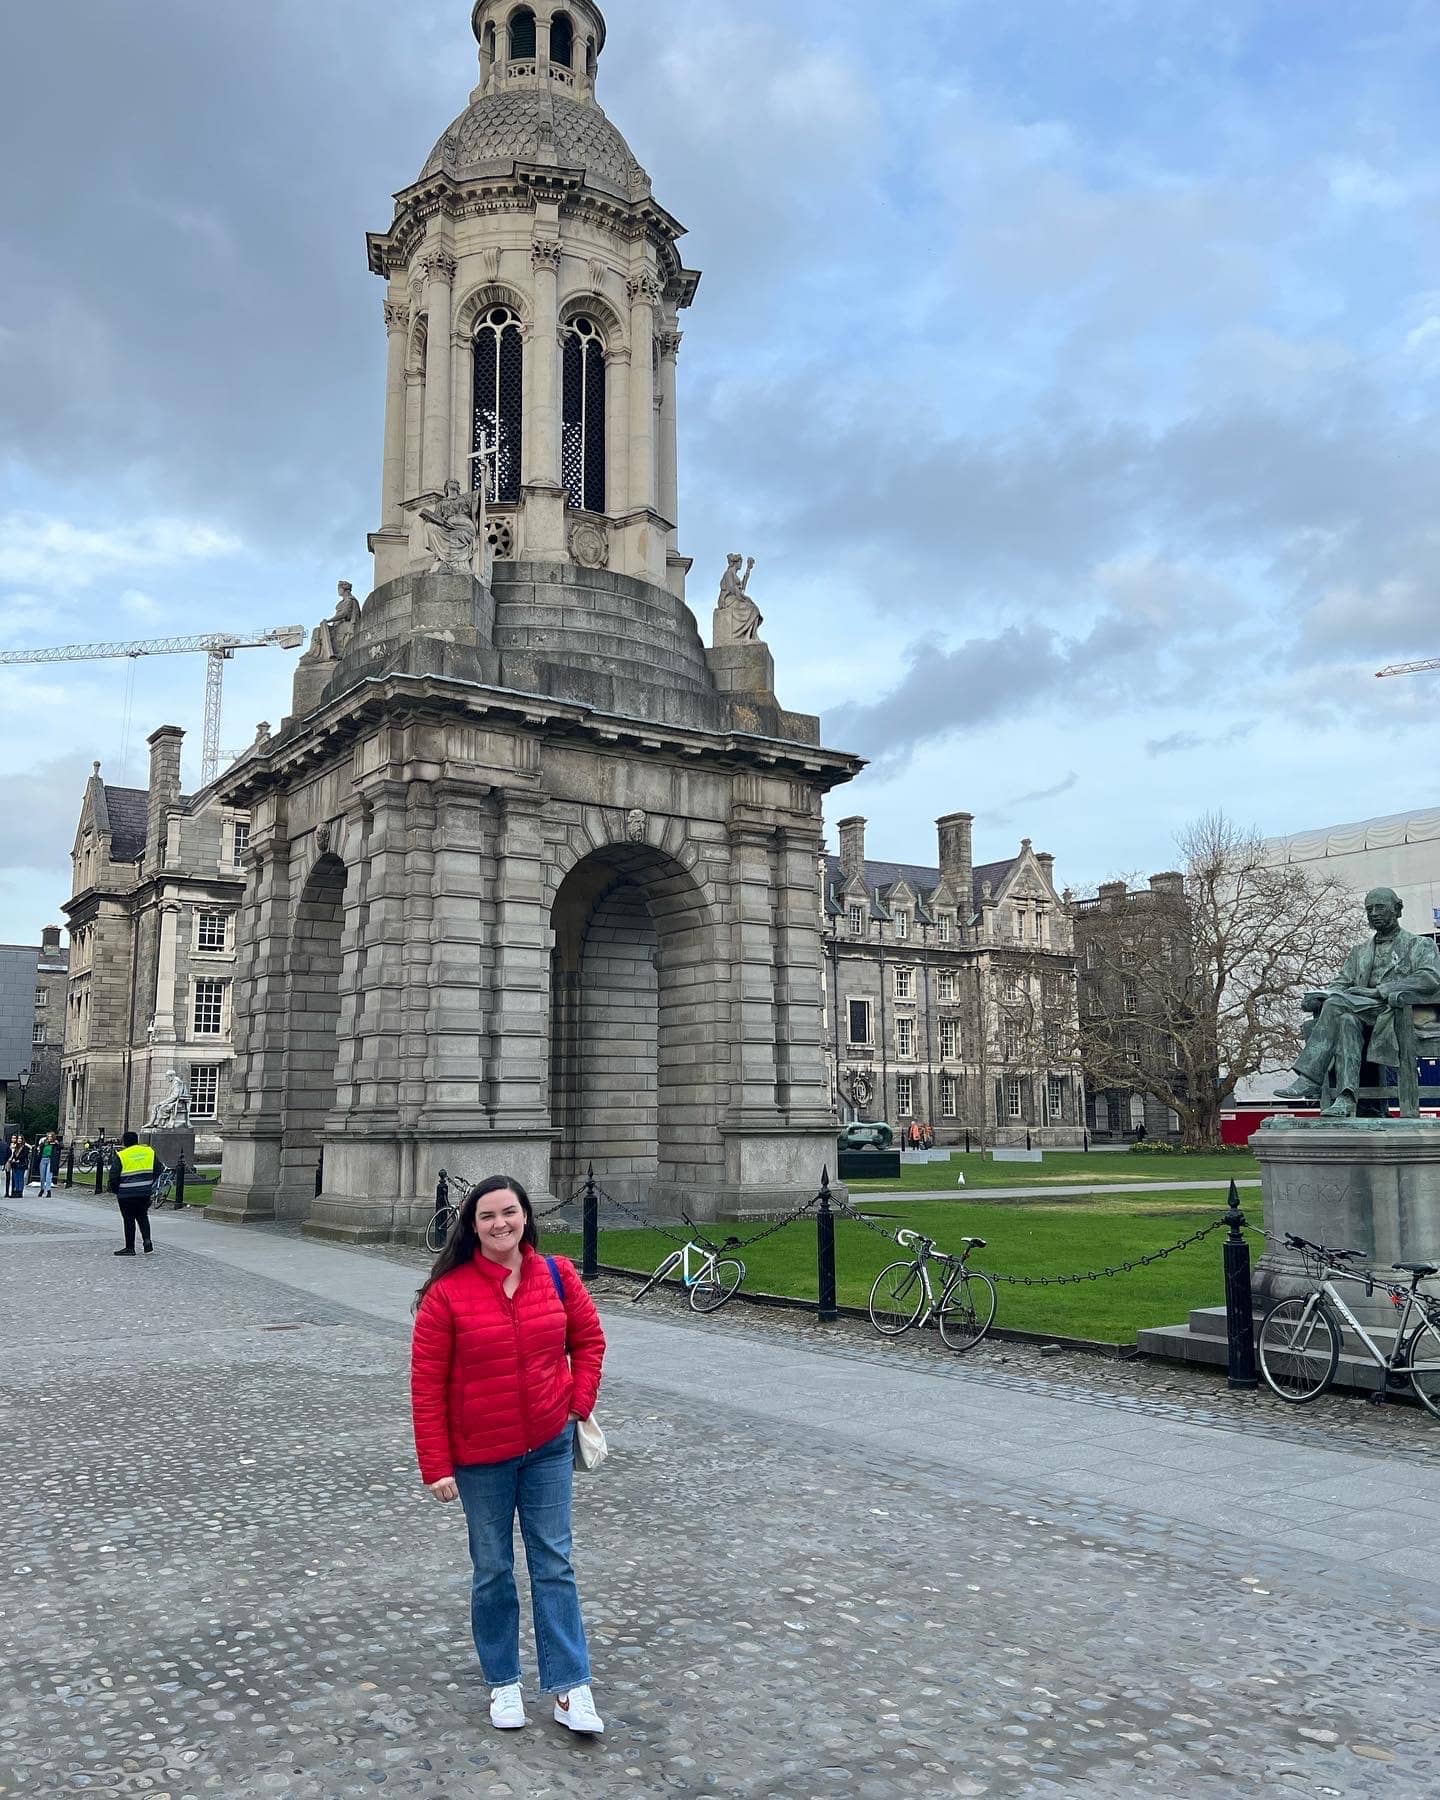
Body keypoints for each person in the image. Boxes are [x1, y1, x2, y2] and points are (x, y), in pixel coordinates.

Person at [410, 1175, 606, 1736]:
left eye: (510, 1213)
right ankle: (503, 1682)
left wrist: (577, 1402)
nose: (501, 1224)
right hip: (480, 1455)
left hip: (546, 1445)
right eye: (489, 1216)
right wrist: (437, 1465)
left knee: (555, 1563)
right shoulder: (447, 1294)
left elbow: (588, 1341)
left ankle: (571, 1687)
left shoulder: (557, 1274)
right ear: (472, 1227)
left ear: (525, 1217)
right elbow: (427, 1385)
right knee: (493, 1569)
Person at [1276, 887, 1440, 1118]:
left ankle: (1310, 1078)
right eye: (1369, 909)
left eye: (1380, 907)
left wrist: (1379, 991)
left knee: (1337, 1006)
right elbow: (1340, 984)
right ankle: (1346, 1098)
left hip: (1398, 1012)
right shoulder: (1359, 952)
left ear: (1398, 909)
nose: (1373, 913)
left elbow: (1429, 978)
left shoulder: (1420, 945)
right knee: (1345, 1019)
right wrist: (1321, 995)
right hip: (1362, 1014)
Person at [108, 1130, 158, 1255]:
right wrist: (149, 1182)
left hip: (126, 1192)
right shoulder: (149, 1152)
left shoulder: (122, 1155)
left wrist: (116, 1190)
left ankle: (130, 1248)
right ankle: (147, 1241)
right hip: (144, 1191)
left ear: (124, 1142)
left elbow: (113, 1175)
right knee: (143, 1216)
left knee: (129, 1219)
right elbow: (158, 1169)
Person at [7, 1133, 29, 1197]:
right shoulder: (16, 1147)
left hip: (21, 1164)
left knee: (20, 1178)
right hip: (15, 1164)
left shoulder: (25, 1147)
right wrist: (13, 1159)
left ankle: (20, 1191)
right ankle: (16, 1191)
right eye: (18, 1139)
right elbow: (13, 1154)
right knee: (15, 1178)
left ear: (22, 1139)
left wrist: (16, 1159)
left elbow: (24, 1155)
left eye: (20, 1139)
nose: (19, 1140)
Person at [37, 1133, 56, 1197]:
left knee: (48, 1176)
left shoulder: (54, 1144)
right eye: (48, 1137)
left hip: (50, 1160)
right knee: (42, 1176)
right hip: (43, 1159)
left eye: (51, 1137)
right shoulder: (44, 1143)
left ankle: (48, 1190)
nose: (49, 1138)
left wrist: (56, 1143)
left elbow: (61, 1146)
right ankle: (42, 1189)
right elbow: (39, 1147)